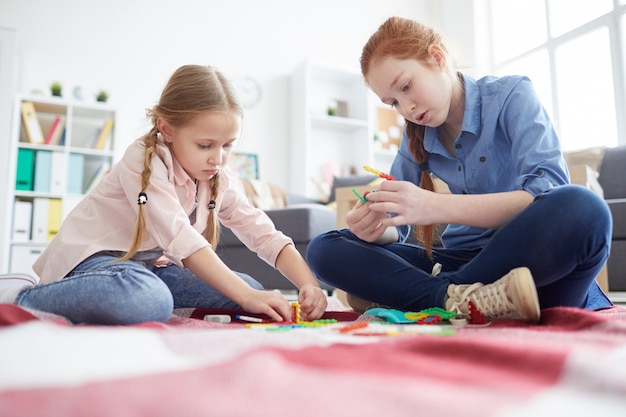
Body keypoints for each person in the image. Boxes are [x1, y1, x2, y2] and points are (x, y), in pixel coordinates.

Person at [306, 17, 613, 322]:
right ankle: (460, 301)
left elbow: (544, 193)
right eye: (393, 102)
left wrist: (436, 207)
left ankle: (435, 296)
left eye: (407, 86)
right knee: (325, 248)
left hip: (524, 259)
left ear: (437, 58)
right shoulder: (416, 135)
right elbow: (396, 230)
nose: (407, 109)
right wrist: (375, 230)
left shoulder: (512, 96)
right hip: (456, 262)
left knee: (585, 209)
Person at [0, 65, 327, 324]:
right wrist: (243, 295)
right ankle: (21, 295)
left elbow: (262, 233)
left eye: (228, 145)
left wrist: (307, 283)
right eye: (205, 145)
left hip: (145, 268)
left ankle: (155, 297)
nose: (219, 157)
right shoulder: (142, 160)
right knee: (146, 298)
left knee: (252, 290)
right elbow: (181, 238)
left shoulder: (216, 176)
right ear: (166, 129)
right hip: (93, 261)